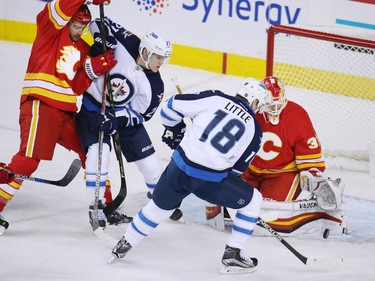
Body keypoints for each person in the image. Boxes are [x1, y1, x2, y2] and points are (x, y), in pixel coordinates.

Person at [108, 78, 270, 274]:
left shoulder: (216, 97)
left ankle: (125, 244)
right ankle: (233, 254)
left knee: (158, 209)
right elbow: (236, 170)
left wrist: (175, 129)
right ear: (254, 102)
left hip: (179, 167)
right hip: (209, 182)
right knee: (253, 201)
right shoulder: (255, 130)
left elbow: (169, 108)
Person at [0, 0, 117, 235]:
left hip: (66, 111)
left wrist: (94, 68)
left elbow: (75, 86)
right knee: (29, 159)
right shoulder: (49, 29)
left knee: (92, 151)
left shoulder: (82, 48)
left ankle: (106, 206)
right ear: (67, 20)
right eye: (75, 25)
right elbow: (64, 5)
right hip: (41, 105)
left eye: (82, 27)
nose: (78, 31)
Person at [76, 17, 182, 229]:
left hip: (121, 118)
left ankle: (161, 200)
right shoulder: (127, 41)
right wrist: (101, 38)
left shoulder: (155, 85)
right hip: (93, 109)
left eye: (164, 59)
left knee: (151, 165)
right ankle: (95, 207)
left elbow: (141, 115)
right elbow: (98, 21)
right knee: (99, 156)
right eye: (158, 57)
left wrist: (117, 119)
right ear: (146, 52)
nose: (161, 63)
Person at [239, 76, 349, 237]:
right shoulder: (250, 110)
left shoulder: (297, 114)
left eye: (278, 103)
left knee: (268, 216)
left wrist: (312, 175)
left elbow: (309, 151)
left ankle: (317, 214)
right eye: (270, 104)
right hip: (249, 170)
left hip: (282, 175)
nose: (275, 108)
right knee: (233, 202)